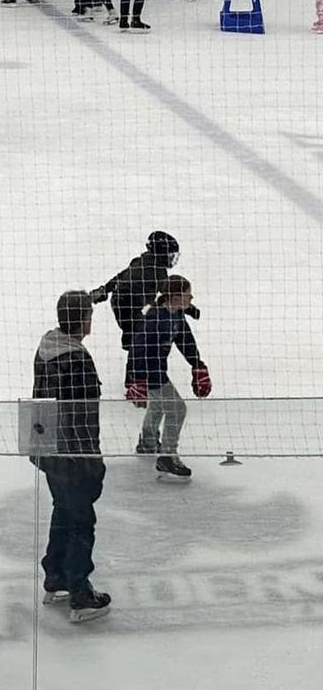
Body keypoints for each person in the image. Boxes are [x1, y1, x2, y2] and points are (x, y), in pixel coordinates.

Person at [31, 291, 110, 622]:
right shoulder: (75, 359)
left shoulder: (46, 349)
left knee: (63, 511)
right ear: (82, 320)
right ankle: (79, 591)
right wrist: (91, 461)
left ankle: (57, 575)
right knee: (81, 521)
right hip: (73, 455)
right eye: (89, 314)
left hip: (50, 450)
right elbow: (80, 417)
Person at [88, 232, 199, 396]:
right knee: (145, 335)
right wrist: (188, 308)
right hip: (131, 305)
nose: (172, 259)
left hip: (120, 301)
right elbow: (169, 295)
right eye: (170, 255)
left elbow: (121, 276)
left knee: (140, 333)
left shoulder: (140, 261)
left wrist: (104, 289)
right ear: (161, 254)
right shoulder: (157, 271)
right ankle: (135, 380)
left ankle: (133, 374)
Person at [126, 276, 211, 480]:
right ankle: (168, 455)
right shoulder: (155, 319)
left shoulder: (176, 315)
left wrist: (197, 364)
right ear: (174, 296)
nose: (191, 296)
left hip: (157, 371)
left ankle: (147, 443)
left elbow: (185, 340)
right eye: (187, 293)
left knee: (158, 405)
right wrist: (137, 380)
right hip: (148, 372)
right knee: (177, 408)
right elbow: (136, 349)